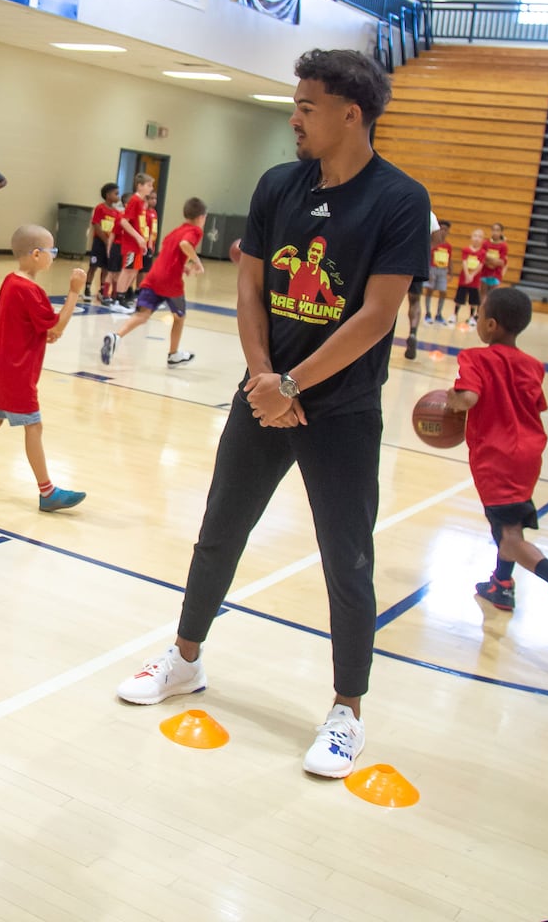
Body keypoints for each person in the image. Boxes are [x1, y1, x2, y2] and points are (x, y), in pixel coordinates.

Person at [115, 49, 430, 780]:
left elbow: (378, 315)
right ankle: (186, 658)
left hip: (342, 409)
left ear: (350, 114)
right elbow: (250, 289)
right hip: (264, 394)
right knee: (218, 532)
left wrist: (293, 383)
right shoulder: (278, 184)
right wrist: (265, 378)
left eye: (306, 106)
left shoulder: (399, 199)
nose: (294, 116)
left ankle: (347, 709)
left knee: (347, 562)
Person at [445, 286, 548, 641]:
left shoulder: (475, 358)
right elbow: (534, 404)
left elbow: (469, 398)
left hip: (495, 457)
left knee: (509, 537)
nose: (477, 319)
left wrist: (451, 399)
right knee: (509, 523)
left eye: (479, 314)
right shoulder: (533, 366)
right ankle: (501, 584)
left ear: (491, 325)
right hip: (528, 455)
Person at [0, 224, 86, 512]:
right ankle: (47, 492)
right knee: (33, 425)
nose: (54, 256)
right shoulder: (30, 290)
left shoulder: (10, 281)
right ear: (37, 254)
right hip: (17, 374)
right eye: (52, 251)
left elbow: (41, 329)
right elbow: (57, 327)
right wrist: (74, 292)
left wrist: (48, 332)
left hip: (0, 369)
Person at [101, 197, 207, 368]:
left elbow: (170, 253)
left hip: (154, 277)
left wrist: (184, 268)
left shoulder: (176, 230)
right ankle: (173, 355)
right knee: (180, 317)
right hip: (170, 281)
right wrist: (197, 261)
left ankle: (116, 337)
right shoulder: (195, 231)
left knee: (142, 315)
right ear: (202, 217)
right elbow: (185, 244)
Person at [402, 211, 443, 360]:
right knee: (415, 301)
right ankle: (413, 332)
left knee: (387, 300)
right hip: (417, 261)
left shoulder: (396, 204)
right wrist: (425, 250)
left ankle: (381, 336)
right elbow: (438, 238)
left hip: (396, 260)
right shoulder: (428, 213)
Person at [111, 173, 156, 309]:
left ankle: (123, 296)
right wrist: (137, 236)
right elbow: (124, 222)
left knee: (134, 270)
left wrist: (144, 240)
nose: (151, 188)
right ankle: (118, 299)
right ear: (140, 186)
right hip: (131, 244)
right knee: (127, 270)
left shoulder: (142, 203)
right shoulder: (135, 201)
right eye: (148, 185)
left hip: (139, 245)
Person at [86, 182, 122, 303]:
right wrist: (106, 240)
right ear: (108, 195)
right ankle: (87, 287)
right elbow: (96, 224)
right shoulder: (100, 208)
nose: (118, 196)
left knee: (106, 268)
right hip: (99, 242)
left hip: (109, 244)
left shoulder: (117, 212)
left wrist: (111, 242)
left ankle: (102, 289)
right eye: (116, 193)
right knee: (93, 266)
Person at [451, 228, 485, 326]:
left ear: (482, 239)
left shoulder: (482, 252)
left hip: (475, 281)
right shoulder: (466, 249)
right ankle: (454, 315)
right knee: (459, 298)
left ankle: (471, 317)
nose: (477, 239)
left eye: (479, 237)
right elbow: (464, 262)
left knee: (473, 300)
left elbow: (480, 265)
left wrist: (472, 275)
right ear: (471, 237)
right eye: (475, 236)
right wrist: (467, 275)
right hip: (464, 279)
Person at [423, 219, 452, 325]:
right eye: (442, 229)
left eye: (446, 230)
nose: (443, 232)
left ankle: (439, 314)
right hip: (432, 269)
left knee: (443, 292)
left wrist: (450, 272)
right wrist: (428, 271)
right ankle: (427, 313)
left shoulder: (448, 246)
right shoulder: (433, 244)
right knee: (429, 290)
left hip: (443, 270)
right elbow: (428, 257)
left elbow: (450, 259)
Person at [482, 221, 509, 293]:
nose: (495, 232)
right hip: (484, 272)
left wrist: (489, 258)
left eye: (497, 230)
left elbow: (501, 262)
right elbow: (482, 258)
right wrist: (493, 262)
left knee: (493, 295)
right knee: (483, 294)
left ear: (501, 232)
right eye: (493, 230)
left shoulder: (503, 246)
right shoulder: (485, 243)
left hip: (496, 274)